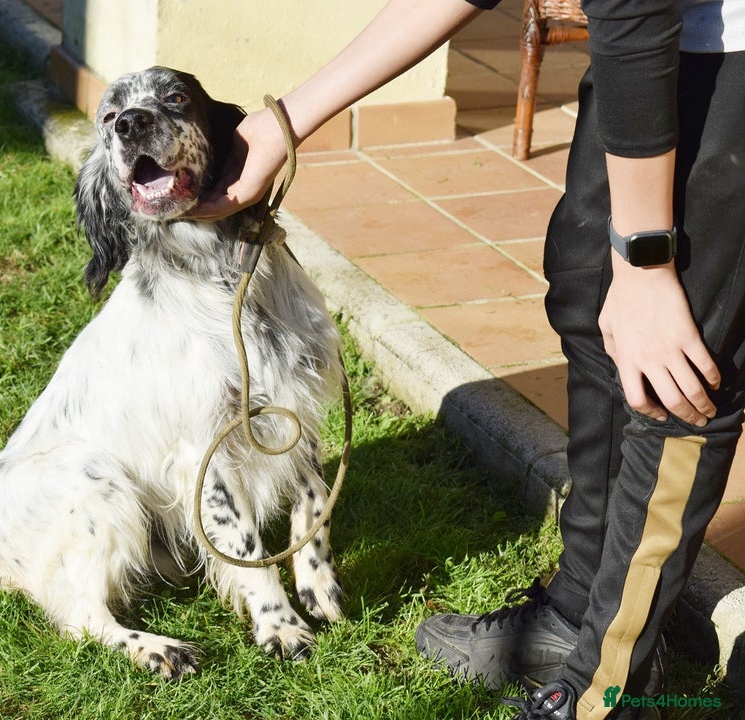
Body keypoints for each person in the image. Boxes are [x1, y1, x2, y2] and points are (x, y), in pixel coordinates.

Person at [193, 1, 745, 718]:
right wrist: (284, 123)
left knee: (675, 373)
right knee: (586, 295)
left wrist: (647, 262)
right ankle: (577, 611)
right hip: (650, 41)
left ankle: (608, 692)